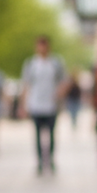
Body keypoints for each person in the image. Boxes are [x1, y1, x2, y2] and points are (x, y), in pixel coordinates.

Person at [20, 36, 68, 174]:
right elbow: (26, 85)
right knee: (37, 135)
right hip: (35, 104)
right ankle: (40, 161)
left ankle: (51, 159)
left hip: (51, 105)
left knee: (51, 135)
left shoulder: (56, 63)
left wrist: (59, 93)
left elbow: (64, 81)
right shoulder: (31, 64)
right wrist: (23, 105)